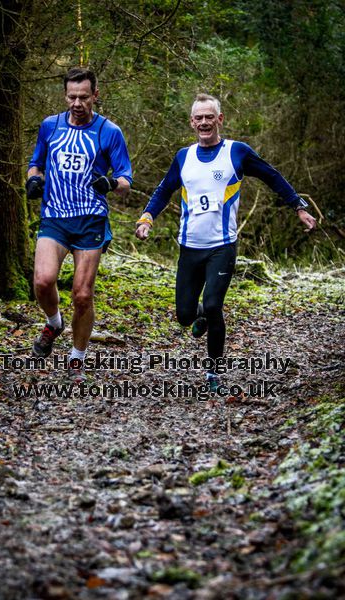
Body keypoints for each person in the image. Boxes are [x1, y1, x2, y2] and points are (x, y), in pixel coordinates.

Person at [135, 93, 316, 391]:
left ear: (219, 119)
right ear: (192, 122)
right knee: (184, 316)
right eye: (199, 118)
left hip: (222, 246)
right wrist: (146, 218)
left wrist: (298, 206)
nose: (204, 122)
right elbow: (164, 190)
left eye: (210, 117)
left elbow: (272, 176)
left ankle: (213, 372)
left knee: (214, 304)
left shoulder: (237, 152)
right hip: (189, 247)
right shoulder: (184, 156)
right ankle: (202, 315)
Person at [26, 67, 132, 381]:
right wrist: (33, 180)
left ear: (95, 96)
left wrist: (110, 184)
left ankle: (77, 357)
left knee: (82, 295)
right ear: (65, 96)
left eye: (83, 97)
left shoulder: (109, 131)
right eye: (72, 96)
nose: (77, 103)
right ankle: (54, 322)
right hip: (55, 216)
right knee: (43, 281)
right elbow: (35, 164)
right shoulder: (50, 126)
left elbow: (126, 179)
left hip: (90, 220)